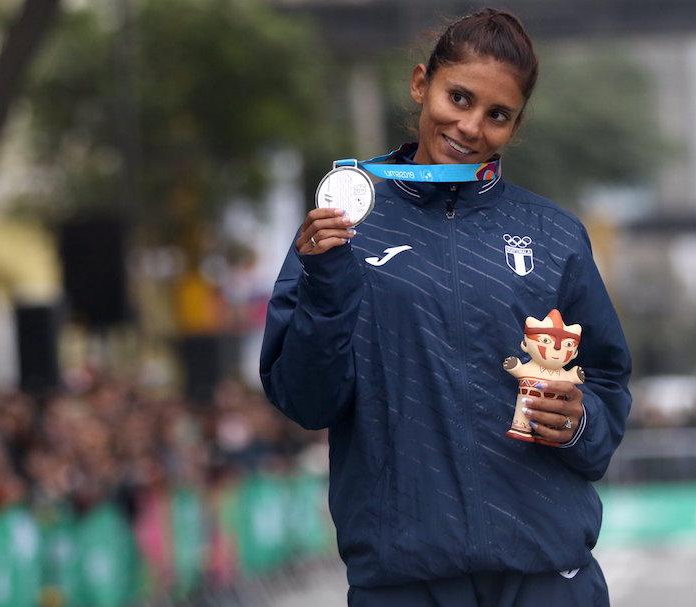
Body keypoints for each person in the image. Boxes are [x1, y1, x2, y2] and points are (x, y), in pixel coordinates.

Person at [260, 8, 631, 606]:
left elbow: (609, 376)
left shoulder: (553, 236)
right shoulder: (346, 225)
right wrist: (325, 280)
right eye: (458, 97)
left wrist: (581, 421)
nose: (470, 126)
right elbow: (305, 400)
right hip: (404, 582)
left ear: (516, 124)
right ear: (419, 85)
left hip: (546, 575)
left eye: (497, 115)